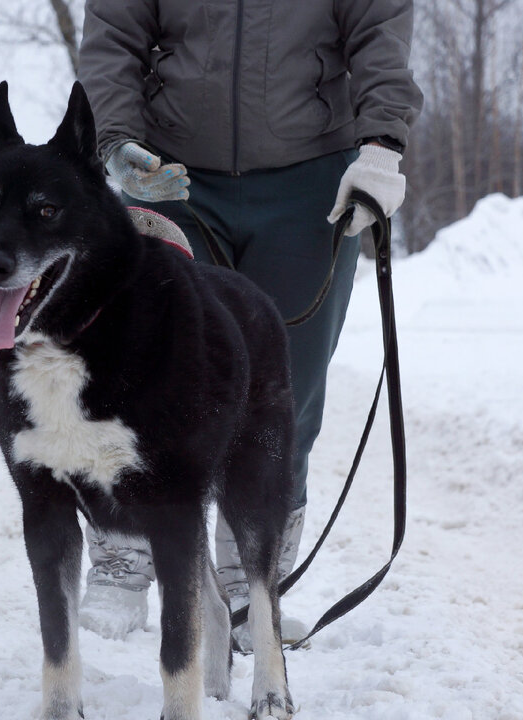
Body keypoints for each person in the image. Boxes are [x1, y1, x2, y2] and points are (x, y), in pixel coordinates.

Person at [76, 0, 423, 650]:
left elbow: (378, 30)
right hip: (170, 175)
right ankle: (123, 554)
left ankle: (253, 584)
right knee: (146, 366)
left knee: (284, 386)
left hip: (311, 180)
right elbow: (115, 34)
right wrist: (115, 139)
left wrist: (382, 147)